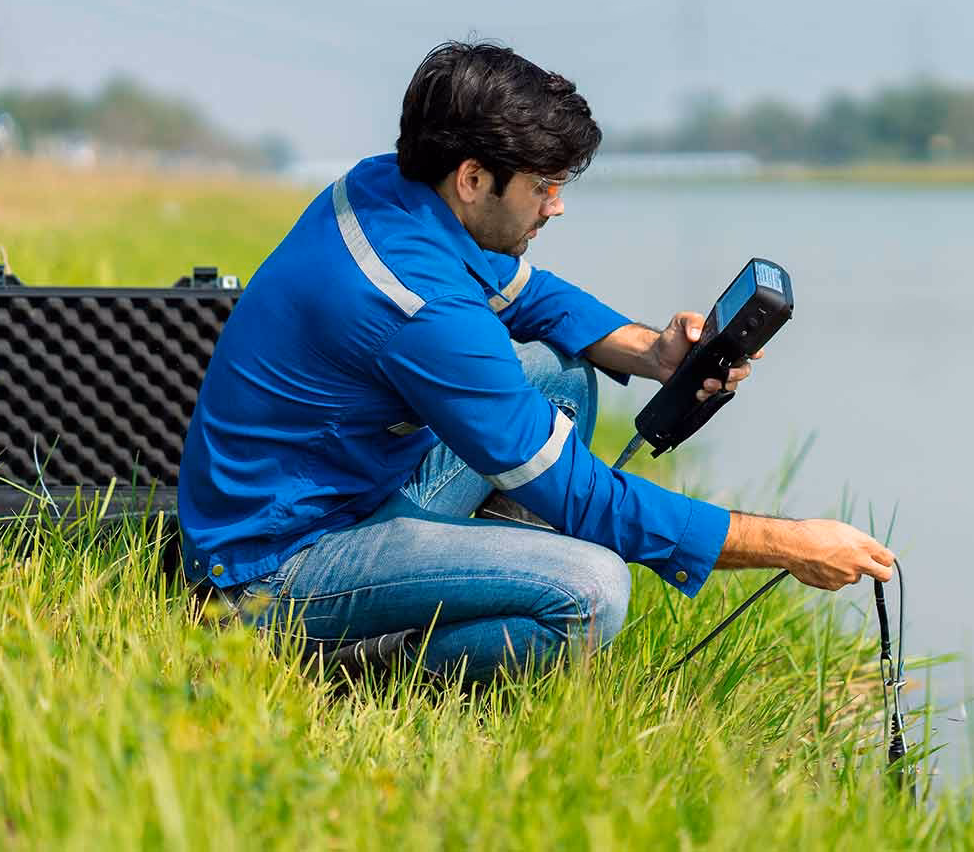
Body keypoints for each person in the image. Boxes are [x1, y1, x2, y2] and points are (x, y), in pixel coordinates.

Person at [177, 41, 894, 686]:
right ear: (472, 178)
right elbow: (579, 495)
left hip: (345, 487)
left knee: (562, 373)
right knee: (592, 588)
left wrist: (655, 352)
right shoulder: (419, 305)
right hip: (276, 565)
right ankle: (362, 661)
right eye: (541, 187)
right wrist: (789, 544)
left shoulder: (388, 187)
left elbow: (532, 296)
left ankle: (483, 571)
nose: (556, 208)